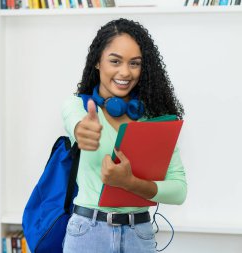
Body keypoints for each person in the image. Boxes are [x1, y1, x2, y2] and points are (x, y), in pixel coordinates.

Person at [61, 18, 187, 253]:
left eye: (135, 63)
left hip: (139, 235)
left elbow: (178, 190)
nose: (125, 72)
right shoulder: (78, 107)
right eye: (115, 61)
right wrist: (82, 131)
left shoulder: (153, 118)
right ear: (98, 62)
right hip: (87, 233)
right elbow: (75, 122)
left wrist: (130, 184)